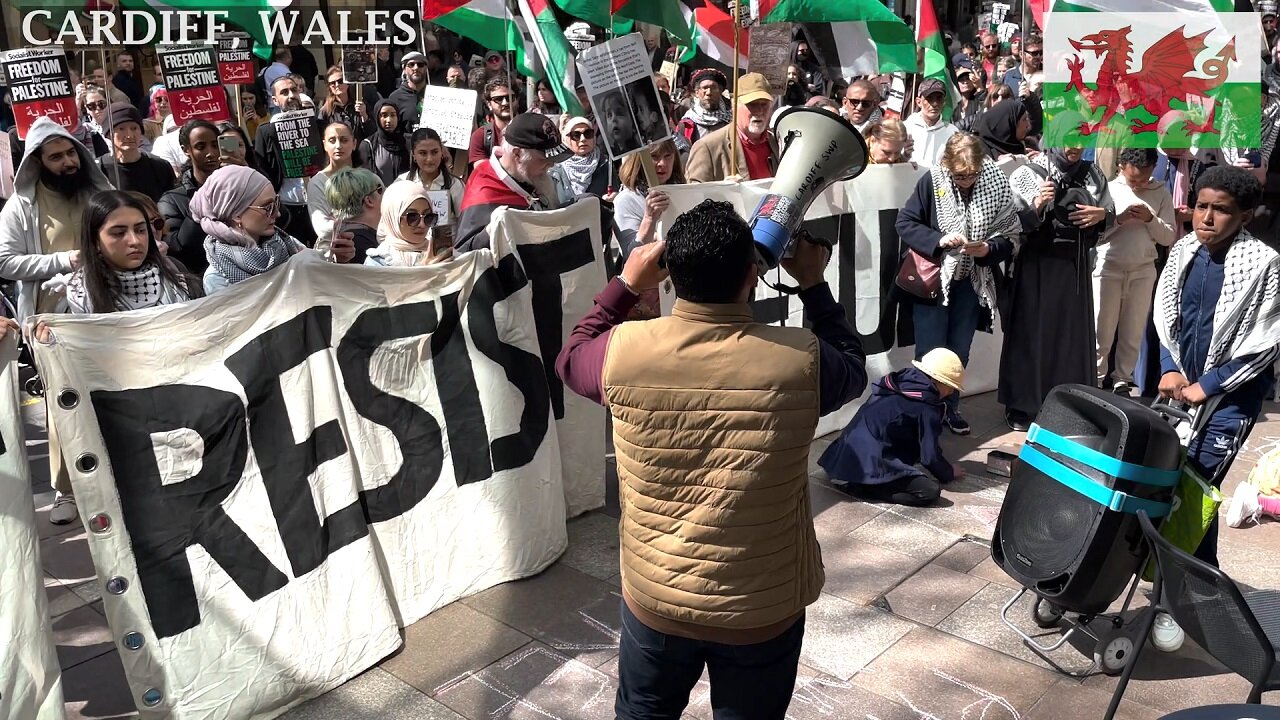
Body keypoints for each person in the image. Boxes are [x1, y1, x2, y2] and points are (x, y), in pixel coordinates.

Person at [554, 199, 867, 720]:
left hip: (656, 596)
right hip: (762, 605)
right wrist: (813, 285)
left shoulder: (624, 350)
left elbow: (570, 357)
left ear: (669, 272)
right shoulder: (801, 359)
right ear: (752, 275)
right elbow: (852, 366)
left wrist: (624, 287)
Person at [1156, 167, 1280, 566]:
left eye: (1220, 210)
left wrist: (1208, 385)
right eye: (1201, 206)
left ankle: (1191, 585)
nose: (1206, 218)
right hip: (1181, 391)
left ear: (1244, 216)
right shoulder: (1183, 250)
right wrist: (1170, 367)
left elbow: (1266, 344)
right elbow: (1164, 318)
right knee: (1169, 480)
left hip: (1231, 400)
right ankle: (1187, 578)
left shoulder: (1264, 264)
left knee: (1196, 486)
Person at [0, 116, 113, 525]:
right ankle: (65, 490)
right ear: (38, 162)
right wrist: (63, 261)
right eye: (56, 157)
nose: (67, 162)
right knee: (63, 403)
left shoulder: (100, 190)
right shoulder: (21, 207)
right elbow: (5, 261)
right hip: (52, 318)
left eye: (70, 153)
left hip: (104, 309)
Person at [896, 132, 1021, 434]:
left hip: (972, 282)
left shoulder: (994, 181)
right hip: (936, 282)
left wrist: (988, 249)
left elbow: (1012, 234)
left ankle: (950, 409)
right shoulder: (933, 180)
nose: (966, 180)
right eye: (960, 175)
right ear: (948, 166)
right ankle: (921, 415)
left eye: (972, 175)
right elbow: (905, 222)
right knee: (929, 352)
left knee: (958, 351)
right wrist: (939, 240)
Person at [1001, 148, 1115, 430]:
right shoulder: (1027, 172)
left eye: (1079, 138)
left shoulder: (1093, 173)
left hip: (1073, 268)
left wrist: (1102, 215)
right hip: (1035, 268)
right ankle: (1023, 405)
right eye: (1067, 138)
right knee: (1031, 336)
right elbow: (1010, 223)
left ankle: (1071, 406)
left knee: (1070, 339)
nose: (1073, 146)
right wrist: (1039, 202)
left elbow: (1109, 214)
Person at [819, 348, 966, 506]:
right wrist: (948, 472)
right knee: (929, 492)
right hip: (867, 463)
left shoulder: (898, 382)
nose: (951, 392)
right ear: (937, 381)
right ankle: (862, 487)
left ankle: (853, 477)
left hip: (843, 456)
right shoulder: (927, 407)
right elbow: (929, 457)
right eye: (950, 386)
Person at [191, 165, 354, 293]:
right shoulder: (219, 276)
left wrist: (337, 261)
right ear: (236, 214)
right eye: (267, 207)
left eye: (276, 203)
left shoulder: (287, 244)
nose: (277, 213)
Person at [1095, 148, 1176, 395]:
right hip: (1108, 267)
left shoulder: (1160, 193)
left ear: (1154, 168)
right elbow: (1095, 236)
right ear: (1121, 166)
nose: (1139, 185)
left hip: (1143, 270)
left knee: (1133, 329)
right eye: (1133, 179)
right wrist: (1118, 219)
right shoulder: (1108, 189)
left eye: (1144, 178)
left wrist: (1150, 219)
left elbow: (1169, 236)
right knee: (1101, 328)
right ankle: (1096, 377)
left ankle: (1122, 378)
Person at [65, 189, 203, 313]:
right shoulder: (78, 300)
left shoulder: (182, 282)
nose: (134, 241)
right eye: (119, 233)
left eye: (140, 230)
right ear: (95, 240)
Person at [455, 113, 570, 251]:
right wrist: (492, 231)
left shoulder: (532, 176)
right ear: (517, 154)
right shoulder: (483, 192)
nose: (551, 165)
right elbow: (464, 252)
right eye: (544, 159)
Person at [254, 74, 315, 246]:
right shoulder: (266, 132)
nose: (291, 96)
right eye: (284, 92)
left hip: (317, 203)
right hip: (288, 208)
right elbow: (262, 170)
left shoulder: (315, 125)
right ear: (275, 100)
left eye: (294, 90)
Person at [159, 119, 223, 274]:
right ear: (186, 149)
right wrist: (202, 196)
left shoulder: (238, 184)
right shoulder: (171, 200)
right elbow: (178, 247)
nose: (211, 153)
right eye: (200, 146)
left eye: (215, 145)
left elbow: (279, 219)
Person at [687, 73, 778, 183]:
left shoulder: (778, 143)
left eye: (764, 104)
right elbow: (693, 195)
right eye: (752, 104)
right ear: (734, 105)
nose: (759, 111)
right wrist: (723, 191)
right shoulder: (707, 147)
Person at [613, 138, 684, 262]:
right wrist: (649, 219)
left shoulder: (681, 192)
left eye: (668, 156)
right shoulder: (626, 199)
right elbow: (630, 256)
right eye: (654, 156)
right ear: (639, 160)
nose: (662, 163)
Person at [97, 103, 177, 203]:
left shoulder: (160, 166)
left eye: (134, 128)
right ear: (108, 134)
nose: (129, 135)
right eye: (121, 129)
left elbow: (173, 202)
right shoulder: (99, 170)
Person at [365, 180, 451, 267]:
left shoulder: (438, 253)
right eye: (413, 217)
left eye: (428, 217)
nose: (422, 224)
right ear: (392, 217)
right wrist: (426, 272)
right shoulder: (378, 262)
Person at [398, 127, 465, 226]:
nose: (429, 159)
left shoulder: (455, 185)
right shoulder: (402, 183)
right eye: (423, 153)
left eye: (434, 152)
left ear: (441, 153)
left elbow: (465, 224)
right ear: (413, 155)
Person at [323, 167, 384, 264]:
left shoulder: (344, 234)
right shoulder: (361, 244)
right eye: (379, 190)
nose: (384, 194)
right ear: (369, 201)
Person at [310, 120, 359, 240]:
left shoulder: (370, 179)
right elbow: (323, 229)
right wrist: (363, 222)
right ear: (324, 145)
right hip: (333, 251)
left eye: (344, 140)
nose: (338, 146)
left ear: (354, 144)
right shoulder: (318, 182)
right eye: (332, 141)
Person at [550, 116, 612, 205]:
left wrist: (612, 198)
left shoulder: (606, 162)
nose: (583, 139)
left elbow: (614, 190)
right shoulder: (555, 166)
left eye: (588, 133)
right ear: (565, 139)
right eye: (576, 135)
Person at [905, 79, 959, 169]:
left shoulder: (952, 133)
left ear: (944, 102)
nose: (934, 104)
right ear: (919, 102)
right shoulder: (906, 127)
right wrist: (905, 155)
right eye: (929, 99)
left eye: (939, 98)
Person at [676, 68, 730, 152]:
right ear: (697, 93)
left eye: (713, 88)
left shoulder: (732, 121)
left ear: (720, 91)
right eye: (704, 88)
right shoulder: (686, 124)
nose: (708, 93)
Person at [359, 102, 411, 186]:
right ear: (377, 118)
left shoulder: (408, 142)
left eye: (393, 115)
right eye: (384, 115)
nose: (389, 120)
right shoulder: (368, 145)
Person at [468, 77, 516, 168]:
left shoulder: (529, 131)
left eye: (510, 97)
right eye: (498, 99)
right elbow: (483, 172)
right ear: (489, 104)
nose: (505, 103)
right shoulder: (480, 136)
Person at [319, 66, 372, 140]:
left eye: (340, 81)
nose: (337, 85)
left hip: (359, 149)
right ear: (329, 87)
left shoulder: (361, 105)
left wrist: (364, 115)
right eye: (332, 83)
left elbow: (372, 133)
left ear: (347, 83)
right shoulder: (325, 111)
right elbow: (322, 137)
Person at [388, 51, 430, 131]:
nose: (416, 68)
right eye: (411, 65)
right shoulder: (395, 98)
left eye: (420, 64)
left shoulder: (435, 94)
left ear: (426, 68)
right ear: (404, 69)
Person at [596, 89, 641, 157]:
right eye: (609, 115)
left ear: (632, 119)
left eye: (619, 113)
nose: (614, 119)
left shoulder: (639, 149)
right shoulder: (608, 155)